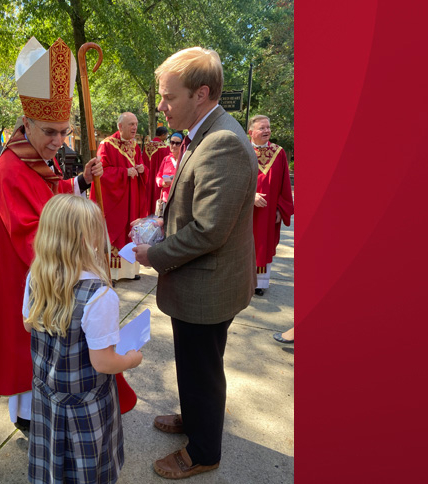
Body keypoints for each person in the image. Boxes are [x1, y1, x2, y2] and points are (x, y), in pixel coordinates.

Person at [0, 37, 137, 432]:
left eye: (65, 132)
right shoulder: (10, 170)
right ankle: (33, 423)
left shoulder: (32, 159)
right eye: (50, 131)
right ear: (26, 123)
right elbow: (34, 237)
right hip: (28, 285)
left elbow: (50, 196)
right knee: (29, 362)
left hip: (44, 287)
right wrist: (87, 265)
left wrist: (80, 182)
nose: (58, 142)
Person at [133, 46, 258, 480]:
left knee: (202, 366)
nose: (161, 107)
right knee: (193, 361)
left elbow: (208, 231)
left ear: (201, 94)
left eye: (168, 97)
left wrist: (155, 254)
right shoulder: (205, 131)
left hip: (209, 284)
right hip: (202, 278)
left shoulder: (222, 142)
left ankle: (204, 451)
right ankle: (195, 416)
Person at [23, 194, 143, 484]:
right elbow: (103, 362)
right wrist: (131, 358)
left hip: (47, 396)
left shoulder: (35, 277)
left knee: (54, 462)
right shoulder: (100, 296)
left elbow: (29, 326)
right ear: (89, 239)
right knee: (87, 468)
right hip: (86, 406)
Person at [90, 112, 148, 281]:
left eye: (136, 124)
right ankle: (111, 274)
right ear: (120, 126)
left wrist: (142, 169)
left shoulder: (134, 145)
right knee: (114, 231)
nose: (135, 127)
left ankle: (130, 271)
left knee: (130, 231)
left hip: (132, 198)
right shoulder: (106, 145)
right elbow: (101, 173)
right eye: (131, 124)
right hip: (114, 201)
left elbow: (140, 165)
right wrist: (124, 173)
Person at [248, 115, 294, 296]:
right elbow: (233, 179)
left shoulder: (279, 152)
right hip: (245, 210)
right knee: (245, 244)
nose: (267, 131)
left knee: (263, 244)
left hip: (268, 213)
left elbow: (284, 184)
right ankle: (244, 282)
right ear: (251, 132)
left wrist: (280, 209)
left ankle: (259, 284)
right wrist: (250, 195)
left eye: (268, 127)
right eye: (262, 128)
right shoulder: (242, 150)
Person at [154, 131, 183, 216]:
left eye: (177, 143)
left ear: (182, 144)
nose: (174, 145)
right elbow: (158, 176)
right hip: (165, 199)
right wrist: (161, 182)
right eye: (172, 142)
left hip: (179, 199)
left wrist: (173, 181)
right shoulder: (166, 159)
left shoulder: (184, 160)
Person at [144, 126, 171, 214]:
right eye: (166, 135)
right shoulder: (164, 147)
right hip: (157, 176)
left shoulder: (146, 145)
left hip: (146, 175)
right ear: (163, 135)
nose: (166, 137)